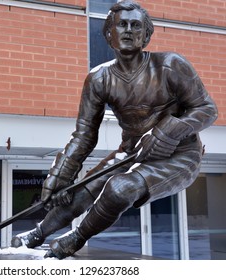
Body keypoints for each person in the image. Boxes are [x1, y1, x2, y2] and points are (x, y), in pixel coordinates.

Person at [11, 0, 218, 259]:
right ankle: (39, 233)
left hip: (180, 154)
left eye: (136, 25)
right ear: (109, 33)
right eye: (121, 25)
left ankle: (76, 238)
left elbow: (207, 109)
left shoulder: (170, 65)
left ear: (146, 34)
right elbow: (85, 135)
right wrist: (60, 176)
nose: (129, 30)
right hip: (132, 151)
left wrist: (168, 131)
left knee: (120, 189)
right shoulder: (99, 78)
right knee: (81, 189)